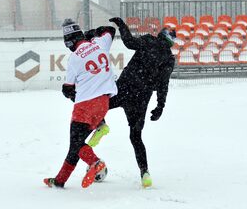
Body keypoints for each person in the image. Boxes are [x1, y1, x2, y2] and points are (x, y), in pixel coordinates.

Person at [43, 19, 117, 189]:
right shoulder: (100, 43)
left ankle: (95, 162)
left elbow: (69, 88)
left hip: (85, 106)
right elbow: (109, 30)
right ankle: (60, 181)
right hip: (104, 103)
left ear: (69, 42)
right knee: (77, 146)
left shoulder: (74, 58)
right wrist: (93, 33)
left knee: (76, 144)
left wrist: (66, 91)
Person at [105, 17, 176, 188]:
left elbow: (129, 42)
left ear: (159, 35)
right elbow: (163, 85)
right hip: (141, 98)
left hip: (124, 88)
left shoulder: (148, 40)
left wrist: (122, 25)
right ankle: (145, 172)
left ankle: (99, 126)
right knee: (136, 136)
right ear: (171, 43)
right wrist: (160, 106)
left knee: (99, 108)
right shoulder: (168, 58)